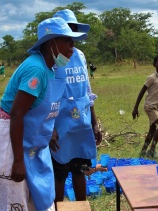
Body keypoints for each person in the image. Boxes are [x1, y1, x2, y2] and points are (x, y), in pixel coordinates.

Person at [0, 17, 87, 211]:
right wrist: (18, 161)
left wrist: (49, 132)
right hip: (8, 138)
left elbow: (41, 108)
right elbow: (16, 114)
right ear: (51, 43)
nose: (73, 46)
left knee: (32, 196)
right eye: (67, 40)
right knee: (12, 196)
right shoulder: (36, 69)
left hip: (26, 137)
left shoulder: (51, 68)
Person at [49, 9, 102, 207]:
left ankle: (81, 207)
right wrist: (50, 128)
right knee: (60, 172)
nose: (71, 35)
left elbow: (87, 90)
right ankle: (58, 207)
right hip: (60, 123)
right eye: (67, 30)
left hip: (81, 121)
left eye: (73, 30)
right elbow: (48, 93)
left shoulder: (79, 55)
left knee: (80, 169)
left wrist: (94, 123)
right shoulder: (52, 59)